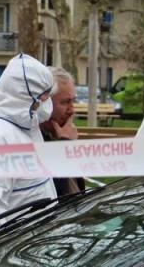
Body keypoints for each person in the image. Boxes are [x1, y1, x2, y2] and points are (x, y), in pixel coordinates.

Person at [0, 53, 57, 244]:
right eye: (43, 98)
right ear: (23, 96)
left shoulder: (25, 130)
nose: (47, 104)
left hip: (28, 249)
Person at [40, 67, 84, 197]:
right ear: (45, 104)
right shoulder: (32, 139)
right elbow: (57, 193)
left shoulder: (56, 135)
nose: (72, 110)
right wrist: (65, 145)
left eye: (73, 101)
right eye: (65, 102)